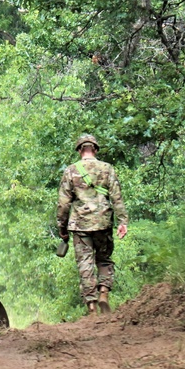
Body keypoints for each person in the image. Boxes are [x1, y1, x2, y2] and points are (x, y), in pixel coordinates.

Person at [56, 134, 128, 315]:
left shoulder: (71, 171)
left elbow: (63, 203)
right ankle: (104, 292)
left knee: (85, 264)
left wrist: (62, 227)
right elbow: (117, 197)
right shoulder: (107, 168)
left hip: (80, 225)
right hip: (103, 222)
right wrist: (122, 221)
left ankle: (92, 306)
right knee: (104, 259)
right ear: (95, 149)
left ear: (80, 150)